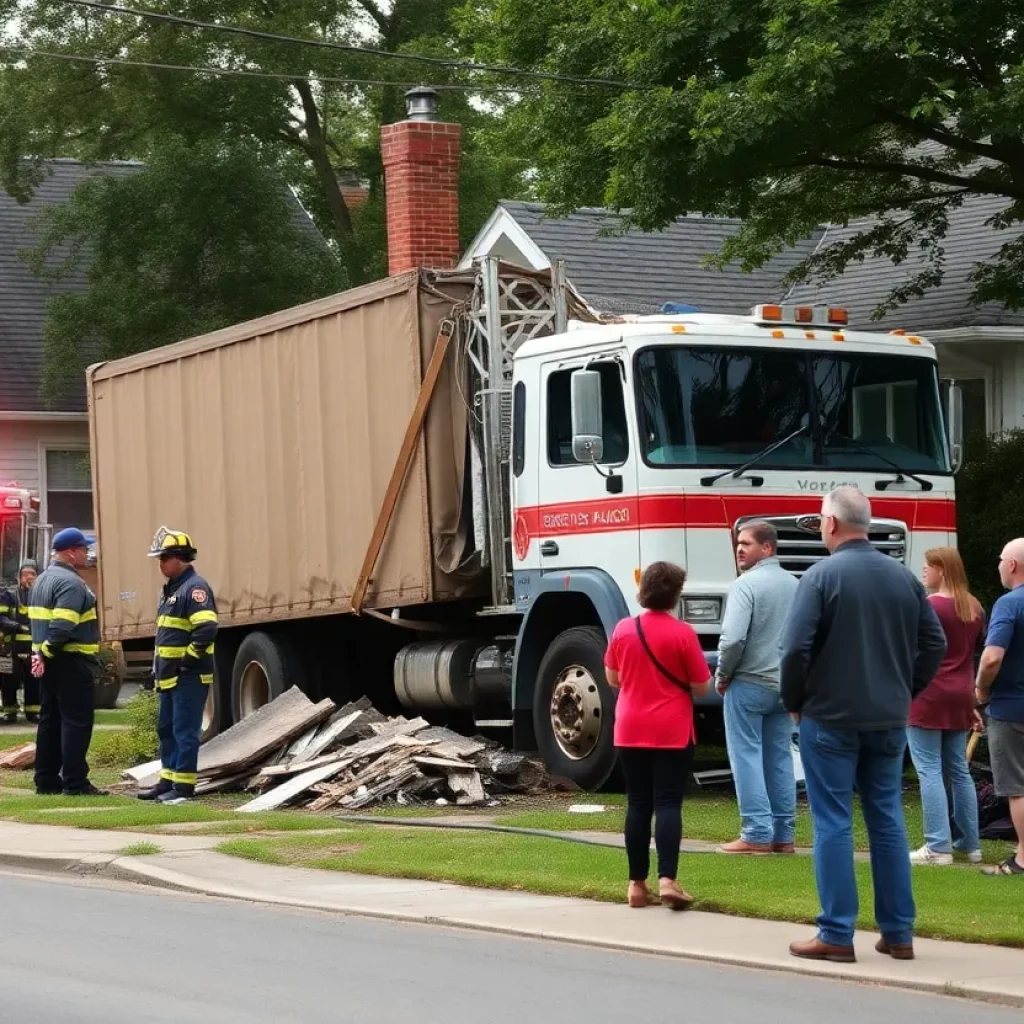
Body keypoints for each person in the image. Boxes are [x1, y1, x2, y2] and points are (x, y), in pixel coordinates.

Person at [780, 487, 946, 963]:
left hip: (830, 716)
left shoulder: (821, 576)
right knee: (887, 818)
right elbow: (932, 644)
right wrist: (905, 689)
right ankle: (898, 931)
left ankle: (835, 932)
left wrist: (795, 700)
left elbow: (794, 650)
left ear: (830, 523)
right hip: (888, 717)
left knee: (833, 819)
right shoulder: (904, 578)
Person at [604, 561, 712, 910]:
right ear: (676, 594)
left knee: (637, 804)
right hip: (671, 728)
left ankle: (637, 884)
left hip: (629, 727)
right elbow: (700, 686)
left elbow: (612, 678)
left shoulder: (623, 629)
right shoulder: (684, 634)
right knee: (667, 803)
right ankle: (668, 880)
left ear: (644, 590)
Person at [716, 521, 799, 854]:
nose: (739, 548)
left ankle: (755, 832)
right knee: (780, 758)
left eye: (746, 543)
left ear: (767, 548)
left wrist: (723, 674)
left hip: (749, 682)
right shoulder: (796, 585)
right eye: (738, 543)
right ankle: (784, 835)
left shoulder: (745, 584)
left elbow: (734, 639)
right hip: (784, 685)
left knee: (745, 756)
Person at [907, 547, 984, 866]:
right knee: (958, 769)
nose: (924, 572)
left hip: (928, 693)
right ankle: (970, 842)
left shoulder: (930, 606)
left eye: (927, 567)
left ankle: (937, 846)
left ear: (942, 569)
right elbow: (976, 653)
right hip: (961, 693)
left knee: (928, 769)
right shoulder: (974, 607)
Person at [137, 528, 218, 805]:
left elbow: (206, 629)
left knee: (185, 732)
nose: (160, 564)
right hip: (169, 677)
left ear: (180, 559)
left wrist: (188, 662)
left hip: (188, 677)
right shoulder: (171, 590)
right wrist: (155, 669)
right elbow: (166, 636)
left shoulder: (194, 589)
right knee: (167, 730)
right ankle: (167, 781)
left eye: (164, 558)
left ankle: (183, 789)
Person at [29, 529, 105, 797]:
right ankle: (75, 782)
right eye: (84, 549)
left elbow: (38, 623)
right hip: (72, 660)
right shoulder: (72, 584)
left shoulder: (41, 581)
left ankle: (46, 780)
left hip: (49, 662)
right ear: (71, 552)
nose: (87, 553)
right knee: (76, 722)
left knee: (50, 721)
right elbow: (62, 625)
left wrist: (41, 655)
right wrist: (49, 651)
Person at [974, 537, 1024, 877]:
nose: (998, 566)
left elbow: (992, 657)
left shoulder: (1009, 604)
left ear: (1012, 565)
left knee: (1016, 786)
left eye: (1000, 560)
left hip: (1012, 706)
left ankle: (1023, 859)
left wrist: (979, 689)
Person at [0, 562, 41, 724]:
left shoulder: (41, 595)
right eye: (25, 574)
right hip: (10, 646)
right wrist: (16, 626)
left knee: (34, 679)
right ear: (19, 577)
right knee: (8, 679)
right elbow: (1, 617)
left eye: (33, 574)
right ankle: (10, 712)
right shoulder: (8, 595)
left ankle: (33, 712)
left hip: (34, 647)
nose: (29, 577)